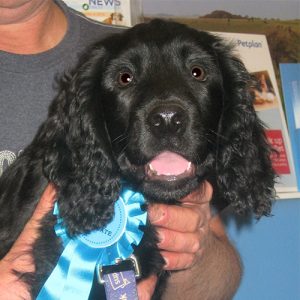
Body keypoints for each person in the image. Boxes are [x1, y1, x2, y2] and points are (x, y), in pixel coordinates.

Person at [0, 0, 242, 299]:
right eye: (125, 79)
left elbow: (219, 283)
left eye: (197, 72)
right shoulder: (97, 79)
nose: (167, 112)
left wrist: (190, 255)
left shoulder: (123, 47)